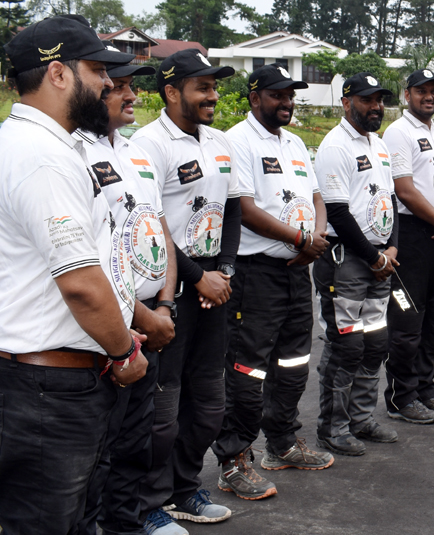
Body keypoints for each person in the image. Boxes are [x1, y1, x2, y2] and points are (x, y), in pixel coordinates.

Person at [0, 14, 148, 534]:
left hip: (41, 377)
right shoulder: (44, 156)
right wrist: (125, 352)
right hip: (41, 385)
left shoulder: (39, 143)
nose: (109, 83)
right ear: (59, 74)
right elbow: (83, 285)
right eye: (97, 69)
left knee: (73, 520)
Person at [77, 47, 207, 535]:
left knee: (138, 434)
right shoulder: (78, 154)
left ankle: (129, 521)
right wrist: (140, 316)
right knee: (102, 442)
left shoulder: (133, 151)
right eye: (120, 86)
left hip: (155, 310)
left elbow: (159, 229)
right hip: (111, 322)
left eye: (132, 85)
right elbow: (88, 257)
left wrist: (166, 302)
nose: (131, 94)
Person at [130, 48, 244, 528]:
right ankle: (150, 502)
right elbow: (149, 223)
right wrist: (199, 278)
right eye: (203, 87)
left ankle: (184, 487)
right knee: (163, 405)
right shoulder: (147, 144)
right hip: (170, 291)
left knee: (209, 401)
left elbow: (233, 208)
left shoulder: (220, 142)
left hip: (214, 287)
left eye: (215, 87)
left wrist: (226, 273)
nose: (213, 96)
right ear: (172, 91)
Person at [213, 63, 334, 498]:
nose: (287, 102)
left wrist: (314, 237)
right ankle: (234, 458)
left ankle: (281, 443)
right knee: (246, 369)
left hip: (297, 272)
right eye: (278, 95)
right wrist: (301, 238)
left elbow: (317, 197)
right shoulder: (236, 141)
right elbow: (243, 207)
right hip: (256, 275)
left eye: (291, 95)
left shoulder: (297, 143)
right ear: (254, 97)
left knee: (293, 363)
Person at [313, 72, 402, 456]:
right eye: (367, 100)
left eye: (379, 100)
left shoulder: (378, 145)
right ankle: (333, 427)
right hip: (347, 261)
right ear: (346, 102)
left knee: (376, 342)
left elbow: (390, 199)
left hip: (381, 261)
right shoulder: (335, 146)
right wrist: (374, 256)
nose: (376, 107)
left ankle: (362, 418)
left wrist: (392, 248)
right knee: (347, 346)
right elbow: (337, 212)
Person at [381, 68, 434, 423]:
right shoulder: (398, 132)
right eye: (421, 91)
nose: (429, 97)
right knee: (407, 323)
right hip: (414, 236)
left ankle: (425, 390)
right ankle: (402, 398)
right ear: (406, 95)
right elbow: (404, 190)